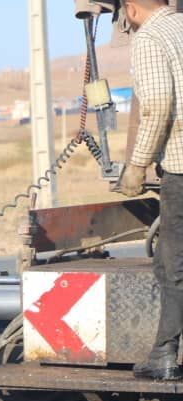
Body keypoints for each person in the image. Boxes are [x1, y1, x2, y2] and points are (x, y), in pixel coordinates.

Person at [118, 0, 183, 380]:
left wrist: (137, 163)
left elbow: (157, 104)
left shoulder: (150, 37)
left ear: (130, 8)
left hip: (181, 165)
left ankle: (164, 356)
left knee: (171, 262)